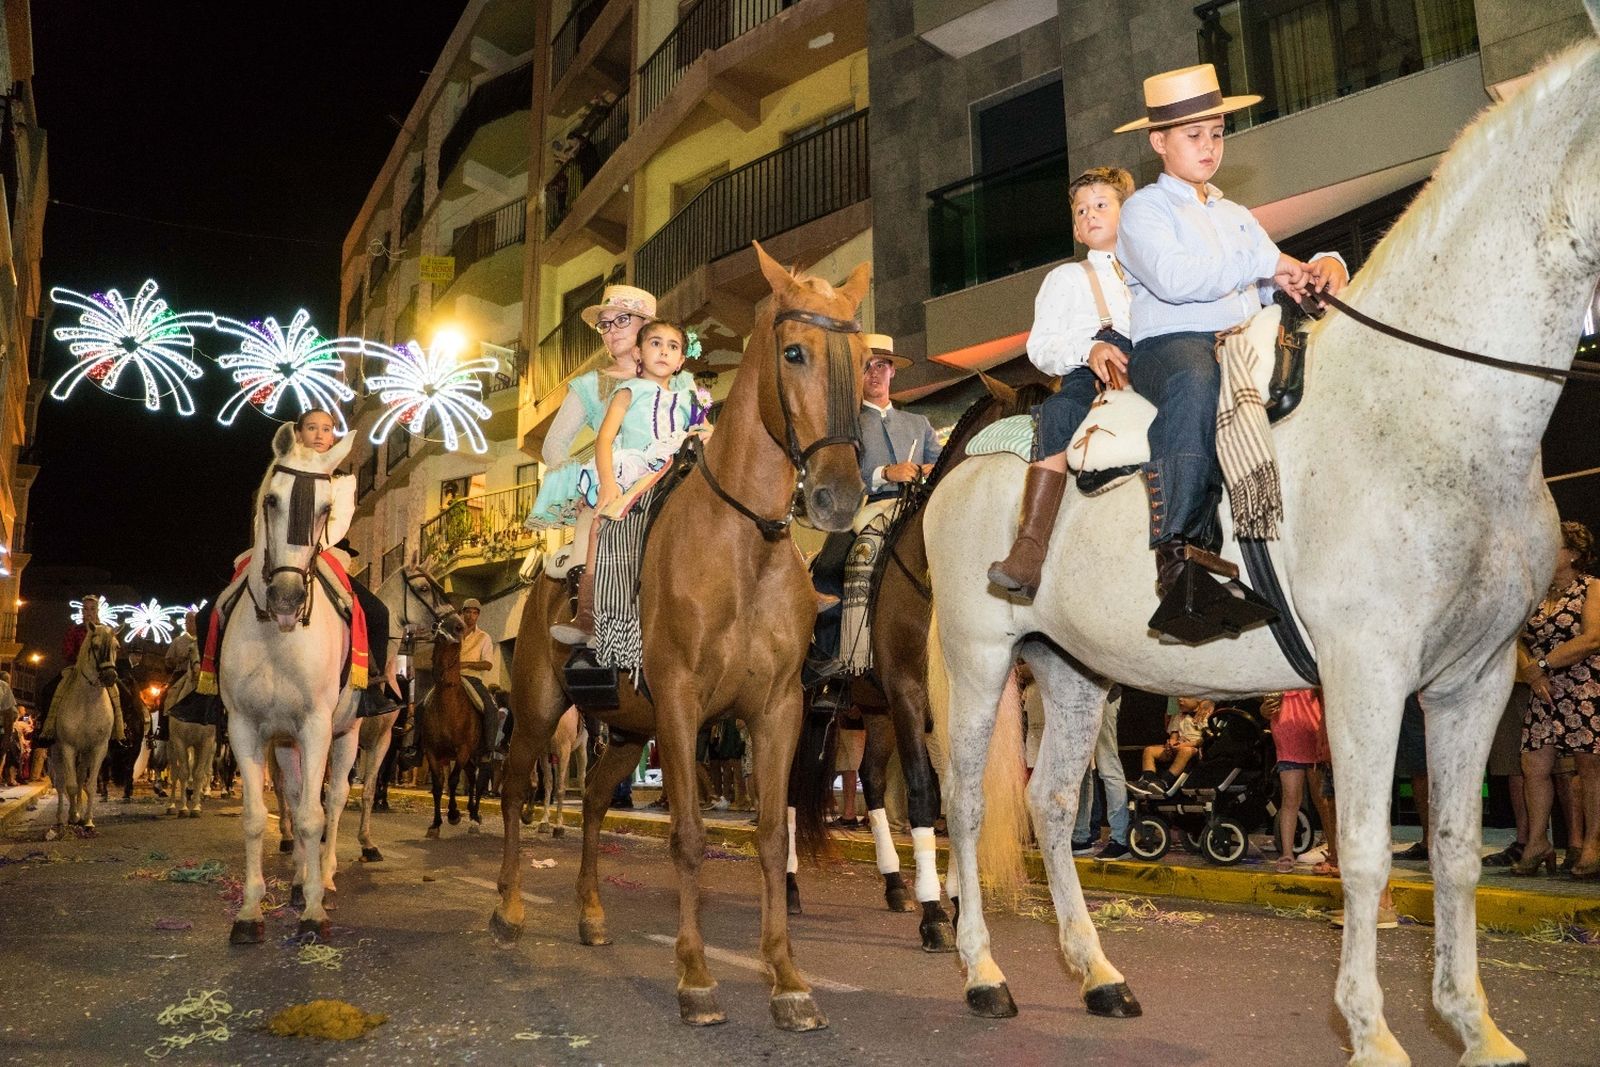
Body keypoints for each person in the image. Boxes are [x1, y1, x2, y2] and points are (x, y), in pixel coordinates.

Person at [1113, 64, 1346, 619]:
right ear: (1158, 142)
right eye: (1194, 135)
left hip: (1241, 337)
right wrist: (1267, 265)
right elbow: (1175, 279)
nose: (1209, 146)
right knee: (1196, 381)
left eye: (1217, 134)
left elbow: (1268, 280)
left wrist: (1321, 268)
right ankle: (1181, 555)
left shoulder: (1236, 214)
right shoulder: (1143, 210)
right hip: (1171, 343)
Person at [990, 166, 1137, 599]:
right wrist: (1089, 350)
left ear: (1126, 214)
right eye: (1081, 211)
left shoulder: (1150, 271)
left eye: (1101, 205)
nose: (1090, 214)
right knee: (1060, 411)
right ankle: (1031, 546)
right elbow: (1041, 347)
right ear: (1075, 229)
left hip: (1149, 360)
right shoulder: (1067, 278)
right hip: (1091, 371)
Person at [553, 319, 707, 645]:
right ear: (638, 353)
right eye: (655, 344)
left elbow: (708, 431)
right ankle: (588, 613)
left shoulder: (690, 398)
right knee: (600, 523)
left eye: (672, 347)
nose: (663, 352)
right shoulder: (628, 392)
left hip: (679, 467)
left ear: (681, 360)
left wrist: (707, 436)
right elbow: (604, 439)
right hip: (637, 469)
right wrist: (609, 484)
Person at [810, 337, 942, 681]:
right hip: (864, 508)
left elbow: (942, 465)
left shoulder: (919, 423)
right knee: (828, 569)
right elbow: (836, 476)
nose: (874, 373)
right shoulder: (845, 425)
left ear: (892, 371)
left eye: (881, 365)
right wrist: (885, 473)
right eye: (866, 366)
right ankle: (828, 661)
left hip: (914, 508)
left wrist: (928, 470)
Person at [530, 284, 661, 628]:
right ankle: (586, 621)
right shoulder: (590, 384)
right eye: (605, 324)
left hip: (667, 472)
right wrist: (579, 486)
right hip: (612, 484)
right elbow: (553, 445)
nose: (611, 331)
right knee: (589, 524)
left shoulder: (670, 376)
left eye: (622, 320)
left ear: (647, 326)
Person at [1511, 520, 1600, 879]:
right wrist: (1531, 671)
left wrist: (1543, 664)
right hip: (1543, 689)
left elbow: (1593, 638)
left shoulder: (1591, 588)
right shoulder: (1537, 592)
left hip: (1583, 687)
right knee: (1533, 765)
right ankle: (1537, 842)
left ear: (1574, 554)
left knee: (1589, 766)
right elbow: (1516, 636)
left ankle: (1593, 843)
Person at [1263, 689, 1339, 874]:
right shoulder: (1278, 680)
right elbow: (1265, 705)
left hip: (1315, 737)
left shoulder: (1310, 677)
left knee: (1323, 801)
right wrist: (1264, 710)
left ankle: (1334, 852)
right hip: (1287, 740)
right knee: (1290, 799)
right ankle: (1287, 854)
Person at [1130, 696, 1212, 796]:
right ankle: (1148, 780)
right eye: (1178, 696)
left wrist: (1185, 745)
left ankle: (1165, 781)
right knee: (1149, 750)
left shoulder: (1204, 715)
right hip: (1177, 746)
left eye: (1185, 696)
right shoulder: (1178, 715)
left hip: (1194, 749)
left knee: (1186, 751)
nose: (1180, 699)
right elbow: (1174, 734)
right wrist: (1171, 743)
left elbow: (1204, 739)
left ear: (1198, 698)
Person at [456, 598, 503, 760]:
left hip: (473, 679)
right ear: (462, 614)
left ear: (478, 616)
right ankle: (417, 748)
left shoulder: (484, 637)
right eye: (468, 612)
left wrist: (466, 663)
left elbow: (488, 664)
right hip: (450, 678)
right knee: (422, 706)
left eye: (475, 613)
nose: (471, 616)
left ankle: (489, 749)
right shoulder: (453, 634)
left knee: (491, 709)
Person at [0, 670, 19, 786]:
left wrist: (7, 735)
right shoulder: (4, 687)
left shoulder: (3, 687)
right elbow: (11, 713)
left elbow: (10, 713)